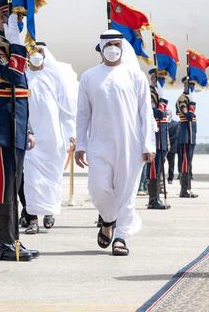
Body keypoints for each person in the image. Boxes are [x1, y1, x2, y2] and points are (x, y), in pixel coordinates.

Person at [75, 30, 155, 256]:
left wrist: (149, 144)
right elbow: (83, 114)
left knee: (126, 193)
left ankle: (121, 237)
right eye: (108, 44)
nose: (112, 48)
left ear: (122, 46)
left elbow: (145, 112)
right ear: (100, 47)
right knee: (98, 188)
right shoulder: (89, 77)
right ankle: (108, 219)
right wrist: (81, 145)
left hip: (131, 143)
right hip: (99, 143)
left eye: (116, 43)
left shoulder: (135, 76)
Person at [0, 0, 39, 261]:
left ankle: (14, 240)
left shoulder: (15, 47)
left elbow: (23, 93)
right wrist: (16, 43)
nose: (16, 23)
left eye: (19, 19)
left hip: (17, 124)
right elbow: (13, 77)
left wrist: (27, 129)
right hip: (4, 125)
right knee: (4, 185)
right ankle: (4, 244)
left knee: (14, 185)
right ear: (0, 18)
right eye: (11, 18)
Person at [23, 42, 77, 233]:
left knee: (53, 178)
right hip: (30, 138)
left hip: (54, 137)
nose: (36, 55)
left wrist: (71, 134)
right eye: (33, 51)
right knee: (31, 179)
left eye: (40, 51)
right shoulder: (23, 77)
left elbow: (66, 109)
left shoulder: (55, 78)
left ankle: (49, 212)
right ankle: (32, 220)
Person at [146, 71, 169, 210]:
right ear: (153, 78)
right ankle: (153, 199)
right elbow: (150, 111)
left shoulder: (160, 94)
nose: (162, 81)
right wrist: (158, 108)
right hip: (154, 134)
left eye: (163, 79)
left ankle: (157, 197)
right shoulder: (149, 93)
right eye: (159, 78)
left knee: (159, 166)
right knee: (153, 167)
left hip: (162, 134)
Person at [176, 82, 198, 198]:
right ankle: (184, 190)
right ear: (185, 86)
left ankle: (188, 189)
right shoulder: (182, 99)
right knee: (185, 163)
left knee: (189, 163)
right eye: (190, 85)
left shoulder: (188, 98)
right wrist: (192, 104)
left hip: (190, 136)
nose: (192, 88)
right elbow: (188, 115)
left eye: (193, 86)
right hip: (185, 136)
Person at [166, 115, 178, 184]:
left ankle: (170, 178)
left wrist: (167, 141)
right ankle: (160, 179)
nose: (167, 115)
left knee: (171, 164)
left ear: (171, 115)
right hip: (164, 147)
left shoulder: (175, 124)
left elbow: (175, 136)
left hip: (172, 147)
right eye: (166, 114)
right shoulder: (162, 122)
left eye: (168, 114)